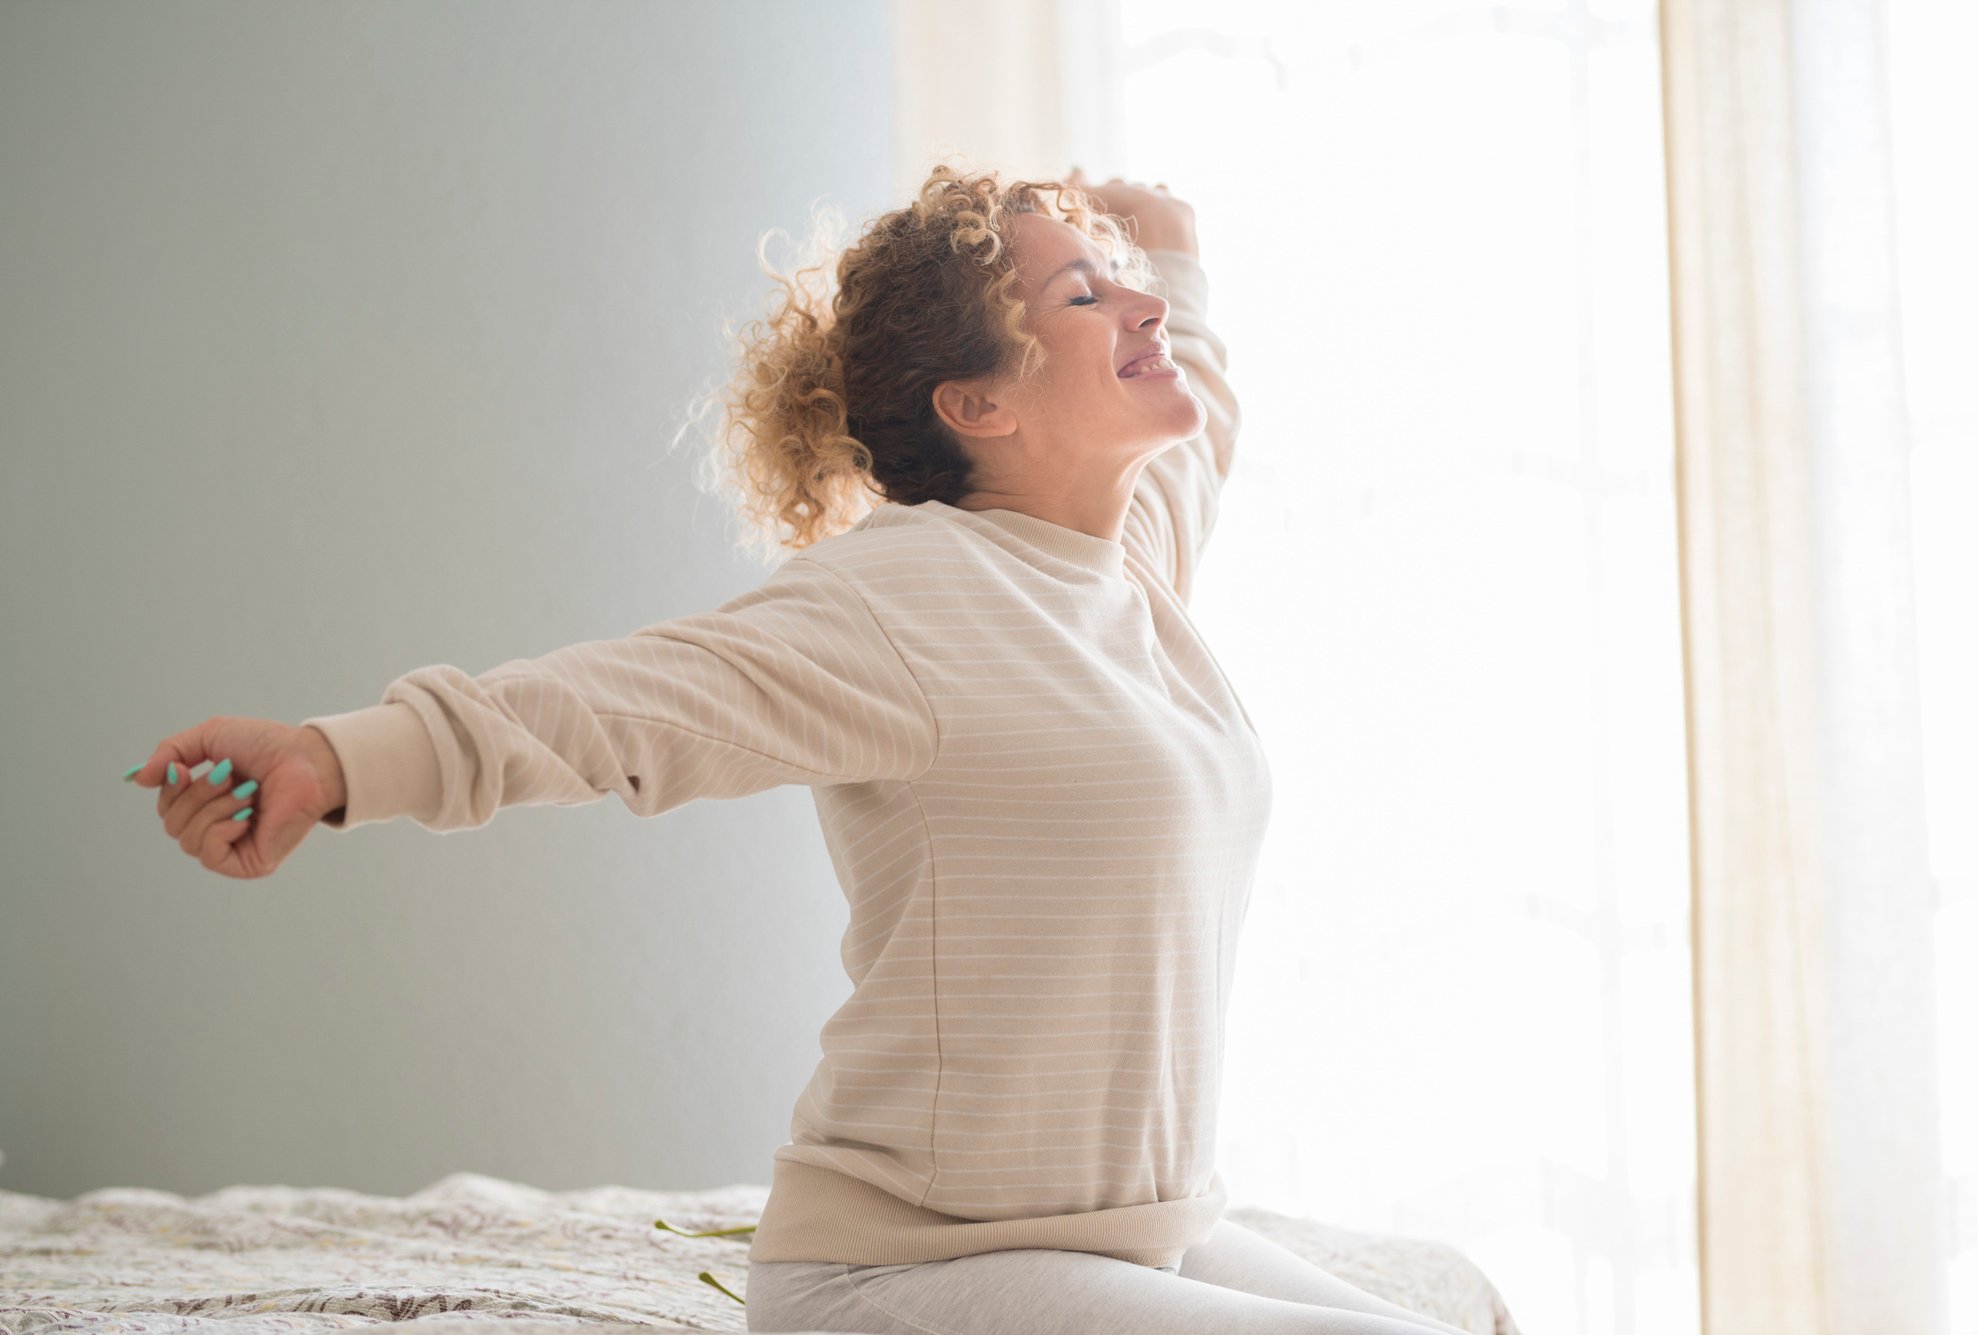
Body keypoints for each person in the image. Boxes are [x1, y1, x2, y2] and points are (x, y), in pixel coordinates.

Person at [124, 164, 1469, 1335]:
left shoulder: (1129, 568)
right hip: (912, 1280)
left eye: (1121, 288)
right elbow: (619, 706)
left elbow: (1203, 427)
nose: (1141, 310)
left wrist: (1162, 250)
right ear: (978, 406)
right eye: (1083, 298)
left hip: (1121, 1242)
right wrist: (330, 756)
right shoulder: (903, 597)